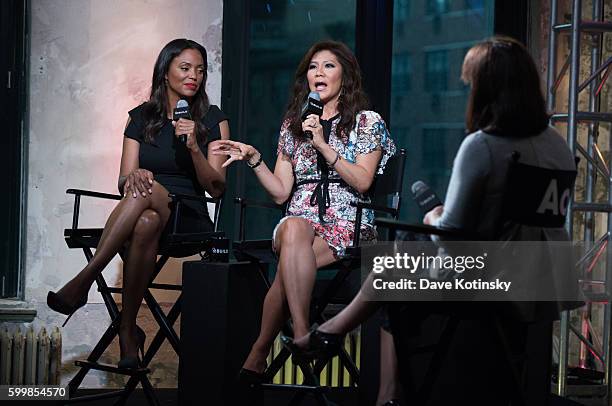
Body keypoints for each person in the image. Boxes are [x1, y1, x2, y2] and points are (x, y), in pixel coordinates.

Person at [293, 36, 577, 405]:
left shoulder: (484, 146)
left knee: (395, 258)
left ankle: (361, 366)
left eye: (472, 83)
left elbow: (449, 236)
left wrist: (434, 213)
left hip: (488, 280)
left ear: (486, 89)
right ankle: (349, 351)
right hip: (544, 280)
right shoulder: (559, 146)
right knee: (403, 260)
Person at [211, 40, 396, 381]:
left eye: (328, 65)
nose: (319, 72)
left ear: (346, 75)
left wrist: (324, 145)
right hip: (299, 218)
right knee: (294, 226)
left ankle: (260, 350)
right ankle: (301, 332)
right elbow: (282, 192)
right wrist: (255, 160)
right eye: (313, 67)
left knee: (289, 266)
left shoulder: (366, 121)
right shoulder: (294, 125)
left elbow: (364, 181)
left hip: (348, 221)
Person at [47, 38, 229, 369]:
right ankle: (129, 334)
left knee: (146, 191)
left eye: (200, 70)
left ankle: (86, 277)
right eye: (185, 68)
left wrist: (193, 147)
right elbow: (123, 181)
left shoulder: (213, 119)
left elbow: (216, 189)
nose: (194, 77)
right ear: (165, 72)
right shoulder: (141, 118)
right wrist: (136, 176)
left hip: (188, 215)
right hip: (147, 208)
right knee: (145, 218)